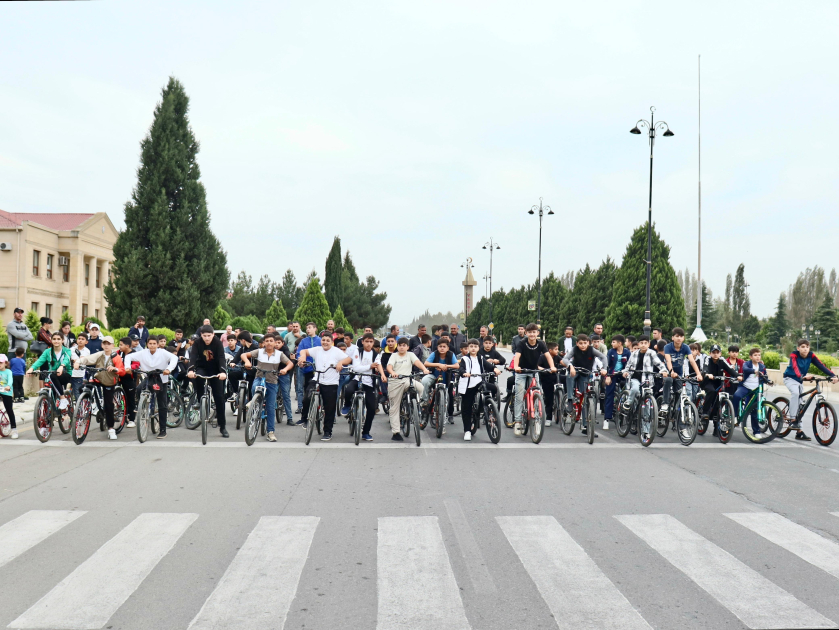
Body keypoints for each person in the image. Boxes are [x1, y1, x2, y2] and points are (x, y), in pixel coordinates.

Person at [297, 331, 352, 441]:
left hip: (331, 382)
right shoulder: (317, 350)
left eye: (328, 340)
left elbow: (349, 359)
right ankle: (305, 419)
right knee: (307, 397)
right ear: (321, 341)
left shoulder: (336, 351)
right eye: (323, 340)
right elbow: (303, 351)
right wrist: (302, 357)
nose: (325, 342)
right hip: (317, 379)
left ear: (332, 342)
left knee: (329, 408)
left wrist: (341, 363)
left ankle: (327, 431)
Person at [242, 332, 294, 442]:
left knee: (270, 407)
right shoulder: (259, 352)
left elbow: (290, 363)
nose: (269, 343)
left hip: (272, 381)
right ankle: (253, 401)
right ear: (264, 343)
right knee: (255, 386)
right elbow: (244, 355)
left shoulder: (280, 354)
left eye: (271, 341)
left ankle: (270, 432)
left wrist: (285, 369)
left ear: (275, 343)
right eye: (267, 341)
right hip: (260, 377)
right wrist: (247, 362)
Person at [783, 338, 838, 441]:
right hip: (790, 378)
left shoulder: (811, 355)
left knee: (801, 404)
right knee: (795, 394)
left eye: (807, 347)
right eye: (803, 347)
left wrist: (833, 375)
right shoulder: (794, 355)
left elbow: (821, 366)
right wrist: (802, 376)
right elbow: (795, 367)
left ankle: (799, 432)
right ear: (798, 348)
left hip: (799, 380)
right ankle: (793, 419)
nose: (805, 349)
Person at [73, 336, 126, 440]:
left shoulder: (116, 356)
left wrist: (115, 369)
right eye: (104, 343)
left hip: (110, 382)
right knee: (84, 387)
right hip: (98, 378)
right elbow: (87, 359)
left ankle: (111, 428)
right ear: (102, 345)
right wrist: (78, 362)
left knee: (108, 404)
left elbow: (122, 371)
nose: (106, 345)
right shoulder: (99, 354)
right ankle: (88, 403)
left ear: (112, 346)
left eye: (108, 344)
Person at [513, 323, 557, 437]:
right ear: (526, 333)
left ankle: (537, 419)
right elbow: (517, 356)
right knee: (519, 395)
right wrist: (516, 367)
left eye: (534, 332)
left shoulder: (541, 343)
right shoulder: (522, 343)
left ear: (537, 333)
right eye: (530, 332)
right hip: (522, 371)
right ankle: (518, 422)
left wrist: (552, 367)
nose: (532, 334)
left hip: (534, 371)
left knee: (538, 393)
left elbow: (548, 356)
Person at [621, 335, 668, 440]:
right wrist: (625, 372)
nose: (643, 345)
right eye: (641, 343)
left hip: (647, 381)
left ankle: (646, 432)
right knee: (634, 389)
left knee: (647, 409)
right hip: (635, 378)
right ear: (638, 344)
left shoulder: (652, 353)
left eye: (645, 343)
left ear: (649, 344)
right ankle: (628, 402)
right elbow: (628, 366)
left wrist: (664, 370)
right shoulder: (634, 354)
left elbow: (659, 363)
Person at [342, 333, 387, 441]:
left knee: (371, 408)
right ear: (362, 342)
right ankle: (347, 405)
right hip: (357, 378)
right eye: (367, 341)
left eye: (371, 342)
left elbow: (378, 364)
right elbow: (356, 368)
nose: (369, 344)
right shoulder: (358, 351)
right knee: (348, 390)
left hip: (369, 382)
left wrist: (383, 375)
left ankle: (366, 432)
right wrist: (369, 366)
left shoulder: (375, 354)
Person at [186, 325, 230, 438]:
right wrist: (191, 369)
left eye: (209, 336)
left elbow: (221, 357)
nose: (206, 338)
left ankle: (222, 426)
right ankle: (201, 402)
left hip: (216, 370)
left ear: (213, 334)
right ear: (201, 335)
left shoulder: (217, 343)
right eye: (204, 336)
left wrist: (223, 372)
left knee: (219, 397)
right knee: (197, 380)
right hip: (202, 368)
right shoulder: (197, 343)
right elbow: (193, 356)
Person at [561, 334, 608, 437]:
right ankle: (569, 399)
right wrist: (570, 366)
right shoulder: (574, 349)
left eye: (585, 343)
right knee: (570, 376)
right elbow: (565, 359)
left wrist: (604, 368)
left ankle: (586, 427)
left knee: (584, 399)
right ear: (577, 343)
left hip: (585, 373)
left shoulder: (592, 350)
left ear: (589, 343)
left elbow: (603, 357)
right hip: (575, 371)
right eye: (580, 343)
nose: (583, 345)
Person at [131, 336, 178, 437]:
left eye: (154, 344)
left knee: (162, 405)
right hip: (149, 378)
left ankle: (163, 430)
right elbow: (129, 357)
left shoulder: (163, 352)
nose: (152, 345)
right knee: (139, 389)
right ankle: (142, 406)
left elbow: (174, 358)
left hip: (162, 380)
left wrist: (168, 369)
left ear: (157, 344)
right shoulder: (143, 353)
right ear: (147, 344)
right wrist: (127, 367)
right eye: (150, 343)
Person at [385, 338, 429, 441]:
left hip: (407, 380)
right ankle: (396, 432)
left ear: (408, 347)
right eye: (400, 345)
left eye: (404, 345)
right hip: (395, 382)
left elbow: (417, 362)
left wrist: (424, 369)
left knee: (421, 387)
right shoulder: (394, 356)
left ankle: (420, 406)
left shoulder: (410, 355)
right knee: (394, 407)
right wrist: (392, 373)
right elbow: (389, 367)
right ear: (397, 346)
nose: (401, 347)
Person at [457, 338, 501, 441]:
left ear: (478, 348)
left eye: (475, 347)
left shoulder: (480, 358)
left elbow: (488, 365)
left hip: (479, 382)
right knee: (466, 408)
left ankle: (486, 406)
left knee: (493, 388)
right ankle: (467, 431)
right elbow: (461, 368)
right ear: (468, 348)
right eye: (471, 347)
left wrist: (495, 369)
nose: (473, 348)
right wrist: (464, 373)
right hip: (468, 385)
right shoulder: (465, 359)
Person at [699, 344, 738, 436]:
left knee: (719, 403)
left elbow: (730, 369)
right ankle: (705, 412)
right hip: (708, 382)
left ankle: (717, 429)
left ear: (720, 353)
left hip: (718, 382)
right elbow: (705, 368)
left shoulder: (722, 360)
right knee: (711, 391)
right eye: (714, 352)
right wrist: (707, 374)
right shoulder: (707, 359)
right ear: (710, 353)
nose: (716, 354)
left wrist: (738, 376)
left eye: (717, 352)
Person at [662, 327, 702, 416]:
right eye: (677, 336)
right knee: (668, 380)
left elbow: (692, 361)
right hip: (669, 372)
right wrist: (671, 371)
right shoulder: (667, 347)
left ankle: (675, 411)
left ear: (683, 338)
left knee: (679, 392)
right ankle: (665, 403)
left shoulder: (686, 347)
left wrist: (698, 374)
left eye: (681, 336)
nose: (679, 338)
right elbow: (668, 360)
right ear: (673, 338)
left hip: (679, 374)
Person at [731, 348, 768, 438]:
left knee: (754, 409)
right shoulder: (747, 364)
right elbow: (745, 369)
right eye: (755, 355)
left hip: (756, 390)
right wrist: (754, 371)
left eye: (759, 355)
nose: (757, 357)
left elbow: (765, 376)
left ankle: (756, 431)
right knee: (737, 396)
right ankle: (734, 416)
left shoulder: (762, 366)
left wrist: (768, 381)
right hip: (745, 387)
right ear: (751, 357)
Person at [421, 338, 459, 418]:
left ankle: (445, 415)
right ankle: (425, 401)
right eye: (440, 346)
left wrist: (446, 366)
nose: (442, 348)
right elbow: (426, 363)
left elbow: (457, 365)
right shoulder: (434, 354)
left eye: (444, 346)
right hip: (434, 376)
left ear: (448, 348)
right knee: (425, 380)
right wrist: (438, 365)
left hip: (446, 378)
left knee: (447, 397)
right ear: (437, 347)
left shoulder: (451, 354)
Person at [295, 322, 322, 421]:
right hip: (307, 369)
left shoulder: (320, 341)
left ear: (315, 329)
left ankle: (321, 412)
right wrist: (301, 361)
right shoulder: (303, 341)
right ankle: (304, 417)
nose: (308, 330)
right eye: (307, 328)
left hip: (320, 371)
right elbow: (299, 353)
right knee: (307, 393)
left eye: (310, 328)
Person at [604, 335, 630, 430]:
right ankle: (607, 419)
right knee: (609, 395)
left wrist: (627, 372)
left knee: (627, 391)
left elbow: (630, 364)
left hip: (623, 374)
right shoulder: (611, 352)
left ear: (620, 343)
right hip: (612, 374)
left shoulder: (627, 352)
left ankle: (624, 412)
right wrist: (607, 376)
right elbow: (606, 365)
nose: (612, 344)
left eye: (614, 342)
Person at [117, 336, 138, 428]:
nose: (119, 346)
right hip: (118, 377)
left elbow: (136, 364)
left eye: (121, 345)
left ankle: (132, 419)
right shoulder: (118, 353)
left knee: (130, 399)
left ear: (127, 346)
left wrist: (130, 368)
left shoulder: (134, 354)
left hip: (129, 378)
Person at [538, 342, 560, 424]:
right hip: (546, 378)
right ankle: (549, 417)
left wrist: (569, 366)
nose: (557, 351)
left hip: (556, 377)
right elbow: (537, 366)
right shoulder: (542, 357)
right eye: (556, 349)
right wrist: (544, 369)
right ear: (550, 350)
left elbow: (563, 362)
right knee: (549, 398)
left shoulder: (557, 357)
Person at [0, 354, 19, 439]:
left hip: (6, 392)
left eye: (0, 362)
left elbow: (10, 381)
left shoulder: (8, 372)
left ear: (6, 363)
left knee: (9, 410)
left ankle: (14, 429)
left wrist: (8, 386)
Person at [69, 332, 90, 400]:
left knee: (77, 393)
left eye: (82, 339)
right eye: (79, 339)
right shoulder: (72, 349)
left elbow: (82, 360)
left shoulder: (87, 350)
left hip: (78, 374)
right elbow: (67, 358)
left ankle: (79, 409)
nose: (80, 340)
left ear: (86, 342)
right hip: (69, 372)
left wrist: (74, 360)